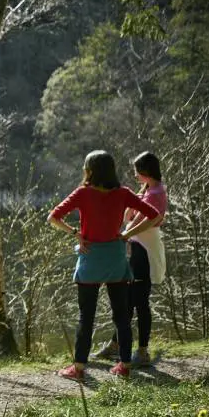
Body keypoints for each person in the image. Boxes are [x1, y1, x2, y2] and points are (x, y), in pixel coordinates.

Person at [48, 150, 163, 381]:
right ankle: (125, 365)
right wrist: (127, 233)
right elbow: (154, 215)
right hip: (115, 259)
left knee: (86, 316)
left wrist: (76, 234)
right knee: (122, 316)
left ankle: (79, 368)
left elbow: (53, 217)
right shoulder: (123, 193)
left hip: (90, 260)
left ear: (89, 171)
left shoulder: (83, 193)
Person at [95, 151, 168, 366]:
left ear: (146, 171)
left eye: (137, 171)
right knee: (127, 299)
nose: (135, 175)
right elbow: (132, 214)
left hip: (144, 251)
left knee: (140, 301)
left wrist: (126, 233)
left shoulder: (155, 192)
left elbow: (151, 220)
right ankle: (116, 344)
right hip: (137, 249)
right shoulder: (149, 190)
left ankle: (142, 351)